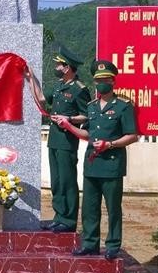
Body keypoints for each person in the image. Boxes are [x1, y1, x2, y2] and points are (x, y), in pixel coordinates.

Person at [55, 60, 138, 260]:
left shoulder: (123, 106)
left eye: (105, 80)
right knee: (89, 208)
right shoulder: (91, 107)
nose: (102, 83)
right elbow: (86, 135)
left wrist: (109, 145)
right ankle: (90, 243)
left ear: (113, 81)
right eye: (98, 80)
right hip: (92, 165)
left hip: (111, 165)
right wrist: (68, 126)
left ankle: (112, 245)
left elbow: (132, 135)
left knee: (113, 208)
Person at [27, 46, 90, 233]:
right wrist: (30, 78)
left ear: (68, 67)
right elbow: (41, 99)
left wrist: (68, 119)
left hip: (67, 140)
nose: (57, 67)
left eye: (59, 65)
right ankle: (58, 216)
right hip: (54, 139)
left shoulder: (79, 90)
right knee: (56, 181)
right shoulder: (58, 86)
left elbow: (86, 116)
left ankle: (68, 221)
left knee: (67, 180)